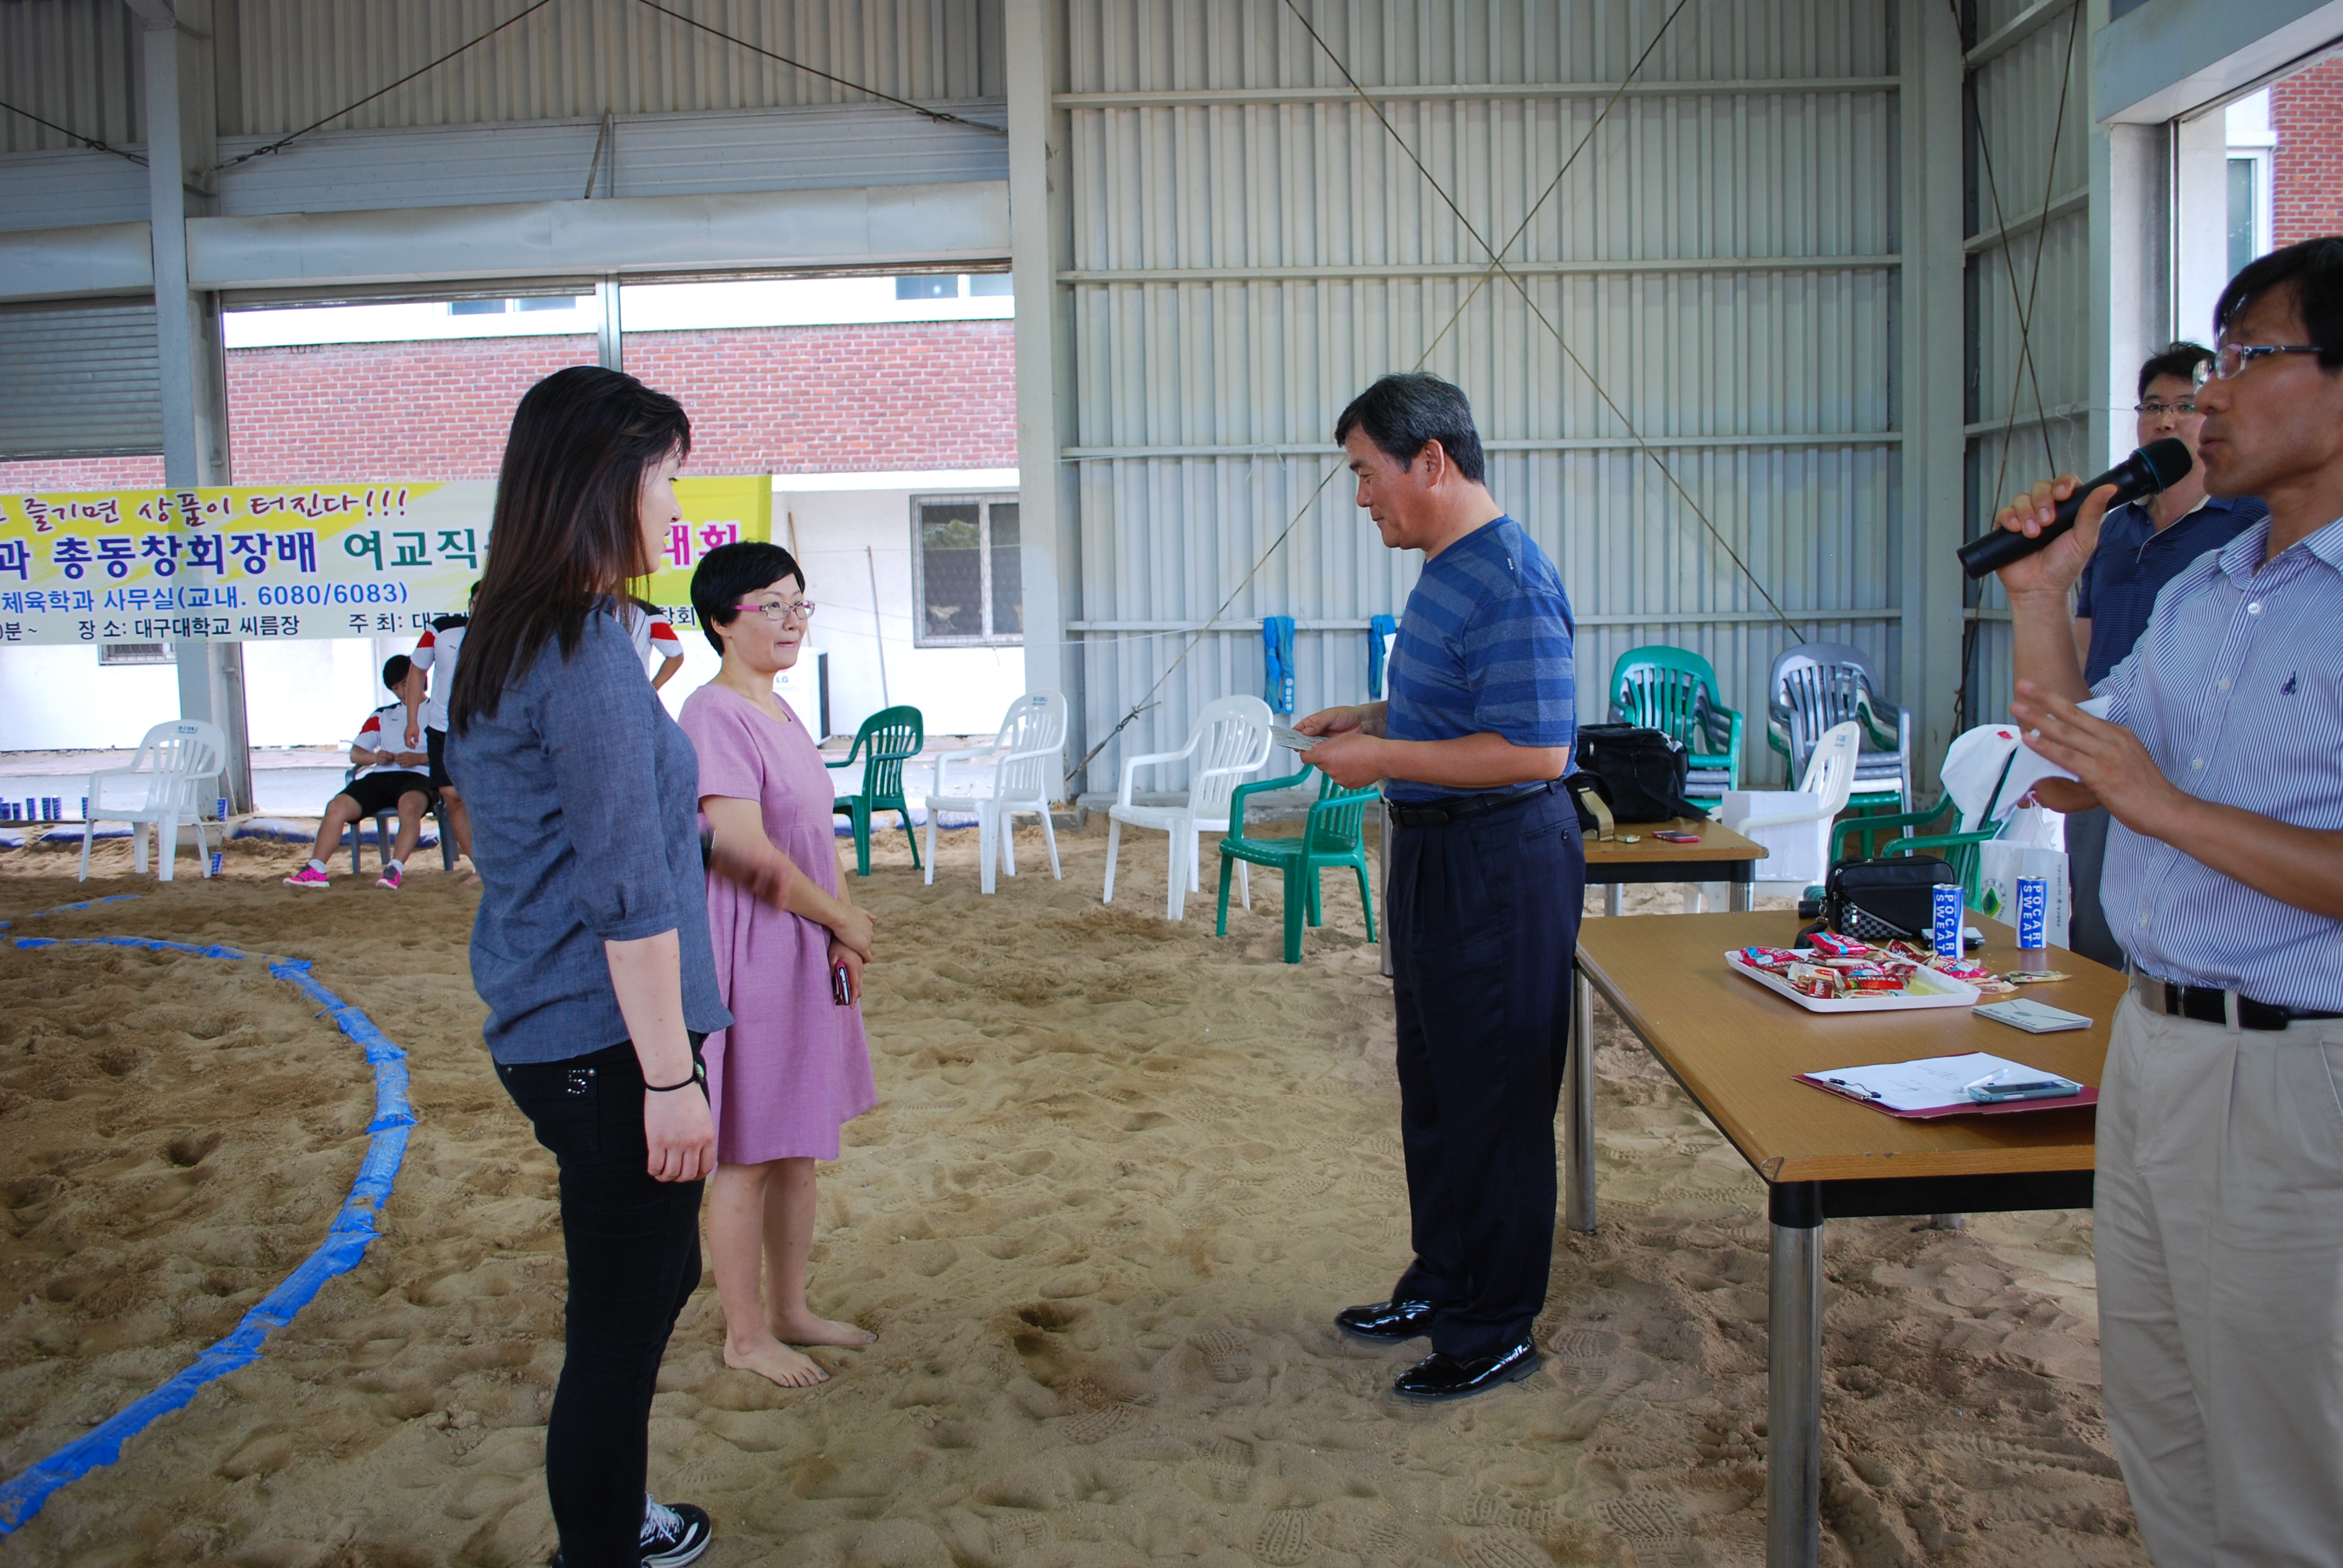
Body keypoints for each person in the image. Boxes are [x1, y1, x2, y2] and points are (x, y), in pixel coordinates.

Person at [1989, 234, 2343, 1566]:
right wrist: (2042, 594)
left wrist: (2163, 805)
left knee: (2287, 1448)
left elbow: (2138, 793)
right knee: (2164, 1415)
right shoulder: (2209, 589)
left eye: (2252, 359)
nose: (2209, 403)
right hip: (2155, 1043)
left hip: (2296, 1071)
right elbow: (2077, 758)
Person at [447, 365, 753, 1568]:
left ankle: (612, 1513)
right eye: (664, 478)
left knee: (654, 1276)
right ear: (598, 483)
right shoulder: (577, 651)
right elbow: (625, 891)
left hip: (561, 1023)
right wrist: (670, 1079)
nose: (676, 506)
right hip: (605, 1041)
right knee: (618, 1332)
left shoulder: (512, 632)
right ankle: (600, 1542)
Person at [1291, 372, 1582, 1402]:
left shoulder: (1508, 576)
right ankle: (1444, 1281)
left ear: (1433, 461)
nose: (1361, 496)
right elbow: (1466, 703)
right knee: (1439, 1083)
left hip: (1496, 858)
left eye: (1367, 472)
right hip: (1436, 849)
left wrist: (1381, 757)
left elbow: (1538, 751)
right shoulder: (1448, 568)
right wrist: (1373, 716)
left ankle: (1494, 1326)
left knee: (1494, 1097)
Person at [678, 540, 879, 1390]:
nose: (792, 620)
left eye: (799, 603)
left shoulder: (782, 710)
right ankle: (746, 1333)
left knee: (799, 1142)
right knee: (749, 1152)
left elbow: (814, 838)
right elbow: (742, 852)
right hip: (752, 948)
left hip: (806, 943)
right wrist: (839, 916)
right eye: (772, 605)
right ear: (722, 622)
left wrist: (841, 934)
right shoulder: (712, 714)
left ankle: (791, 1308)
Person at [2061, 343, 2268, 968]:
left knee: (2182, 925)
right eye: (2153, 407)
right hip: (2110, 744)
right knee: (2095, 924)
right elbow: (2085, 638)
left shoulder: (2248, 525)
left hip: (2194, 756)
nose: (2167, 421)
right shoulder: (2110, 526)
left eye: (2184, 406)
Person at [282, 655, 435, 891]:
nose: (401, 692)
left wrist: (421, 758)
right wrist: (376, 758)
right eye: (395, 688)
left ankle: (394, 868)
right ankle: (316, 868)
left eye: (405, 684)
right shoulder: (382, 715)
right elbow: (356, 753)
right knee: (337, 807)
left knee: (410, 807)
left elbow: (455, 751)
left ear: (421, 678)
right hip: (382, 776)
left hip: (421, 776)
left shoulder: (439, 712)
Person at [410, 584, 478, 874]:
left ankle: (500, 867)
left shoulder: (508, 633)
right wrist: (413, 720)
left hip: (484, 730)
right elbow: (417, 670)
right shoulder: (442, 629)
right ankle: (481, 868)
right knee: (452, 797)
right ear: (470, 604)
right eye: (477, 602)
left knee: (487, 800)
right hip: (442, 729)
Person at [624, 596, 687, 690]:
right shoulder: (599, 610)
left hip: (632, 695)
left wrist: (651, 690)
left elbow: (676, 655)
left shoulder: (649, 614)